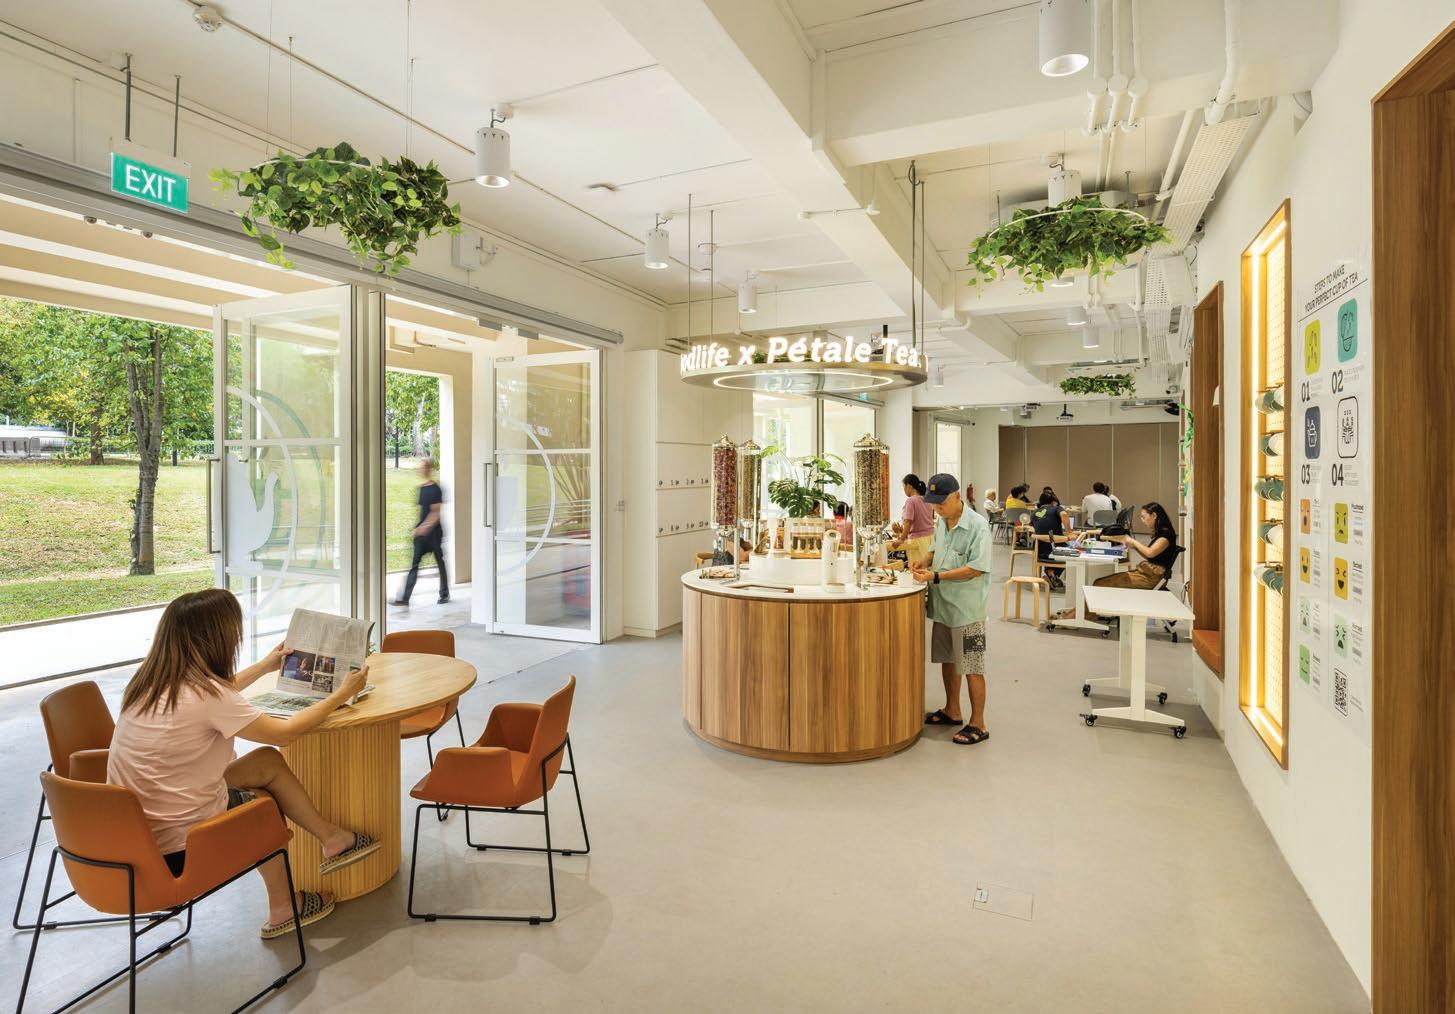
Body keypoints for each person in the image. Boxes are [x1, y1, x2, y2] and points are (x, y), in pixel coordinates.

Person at [107, 589, 382, 940]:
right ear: (217, 639)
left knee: (266, 761)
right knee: (262, 806)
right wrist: (341, 695)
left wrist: (265, 666)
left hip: (134, 838)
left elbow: (220, 697)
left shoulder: (148, 685)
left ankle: (332, 838)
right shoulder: (209, 696)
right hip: (180, 849)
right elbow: (284, 734)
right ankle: (285, 907)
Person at [912, 473, 993, 746]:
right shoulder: (942, 522)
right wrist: (923, 561)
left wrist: (935, 576)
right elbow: (935, 551)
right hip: (944, 607)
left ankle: (978, 723)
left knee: (972, 666)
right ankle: (952, 710)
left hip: (968, 611)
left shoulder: (978, 527)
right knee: (948, 660)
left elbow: (975, 569)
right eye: (933, 504)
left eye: (941, 503)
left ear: (957, 496)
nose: (937, 508)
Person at [1061, 502, 1181, 620]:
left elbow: (1150, 553)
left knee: (1100, 583)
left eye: (1144, 517)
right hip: (1149, 573)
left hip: (1151, 577)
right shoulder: (1162, 532)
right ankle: (1080, 614)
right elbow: (1150, 556)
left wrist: (1133, 541)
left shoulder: (1165, 535)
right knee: (1099, 582)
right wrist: (1134, 547)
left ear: (1154, 515)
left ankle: (1082, 615)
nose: (1142, 520)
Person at [393, 458, 448, 606]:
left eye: (425, 467)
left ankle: (444, 594)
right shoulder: (421, 489)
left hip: (434, 534)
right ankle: (405, 598)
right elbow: (422, 512)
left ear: (430, 469)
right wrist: (418, 528)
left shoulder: (436, 489)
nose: (422, 470)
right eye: (421, 468)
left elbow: (436, 513)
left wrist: (423, 527)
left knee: (440, 563)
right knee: (414, 564)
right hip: (422, 536)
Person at [890, 474, 935, 567]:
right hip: (930, 539)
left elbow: (908, 522)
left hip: (918, 541)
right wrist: (901, 531)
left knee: (917, 570)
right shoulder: (927, 500)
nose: (904, 489)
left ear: (909, 486)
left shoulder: (911, 501)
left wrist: (901, 539)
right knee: (928, 569)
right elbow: (922, 522)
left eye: (904, 486)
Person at [1030, 490, 1070, 591]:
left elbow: (1039, 529)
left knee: (1051, 543)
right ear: (1053, 502)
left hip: (1039, 550)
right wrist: (1069, 531)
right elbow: (1064, 515)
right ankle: (1052, 573)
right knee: (1071, 551)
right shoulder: (1056, 508)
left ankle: (1049, 573)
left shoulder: (1033, 513)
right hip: (1056, 550)